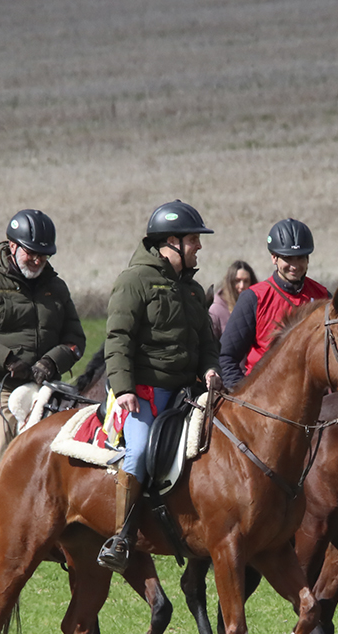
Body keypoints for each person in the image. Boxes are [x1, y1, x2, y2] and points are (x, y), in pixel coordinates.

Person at [98, 200, 223, 573]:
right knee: (137, 452)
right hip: (145, 394)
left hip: (188, 392)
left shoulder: (193, 290)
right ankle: (122, 537)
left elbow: (207, 343)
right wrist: (124, 390)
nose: (199, 246)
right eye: (193, 240)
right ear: (172, 242)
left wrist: (211, 369)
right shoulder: (134, 281)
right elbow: (118, 339)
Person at [0, 209, 85, 533]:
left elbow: (75, 339)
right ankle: (2, 533)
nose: (37, 260)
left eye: (44, 255)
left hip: (46, 386)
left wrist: (52, 362)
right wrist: (6, 360)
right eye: (31, 253)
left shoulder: (57, 288)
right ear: (12, 246)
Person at [218, 219, 330, 390]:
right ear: (274, 258)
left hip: (315, 396)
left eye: (300, 258)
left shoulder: (323, 296)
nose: (295, 266)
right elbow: (226, 357)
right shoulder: (253, 298)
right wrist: (242, 395)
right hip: (264, 395)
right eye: (288, 258)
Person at [207, 260, 257, 341]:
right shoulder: (216, 310)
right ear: (230, 282)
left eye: (246, 281)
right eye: (237, 281)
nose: (242, 286)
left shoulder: (256, 307)